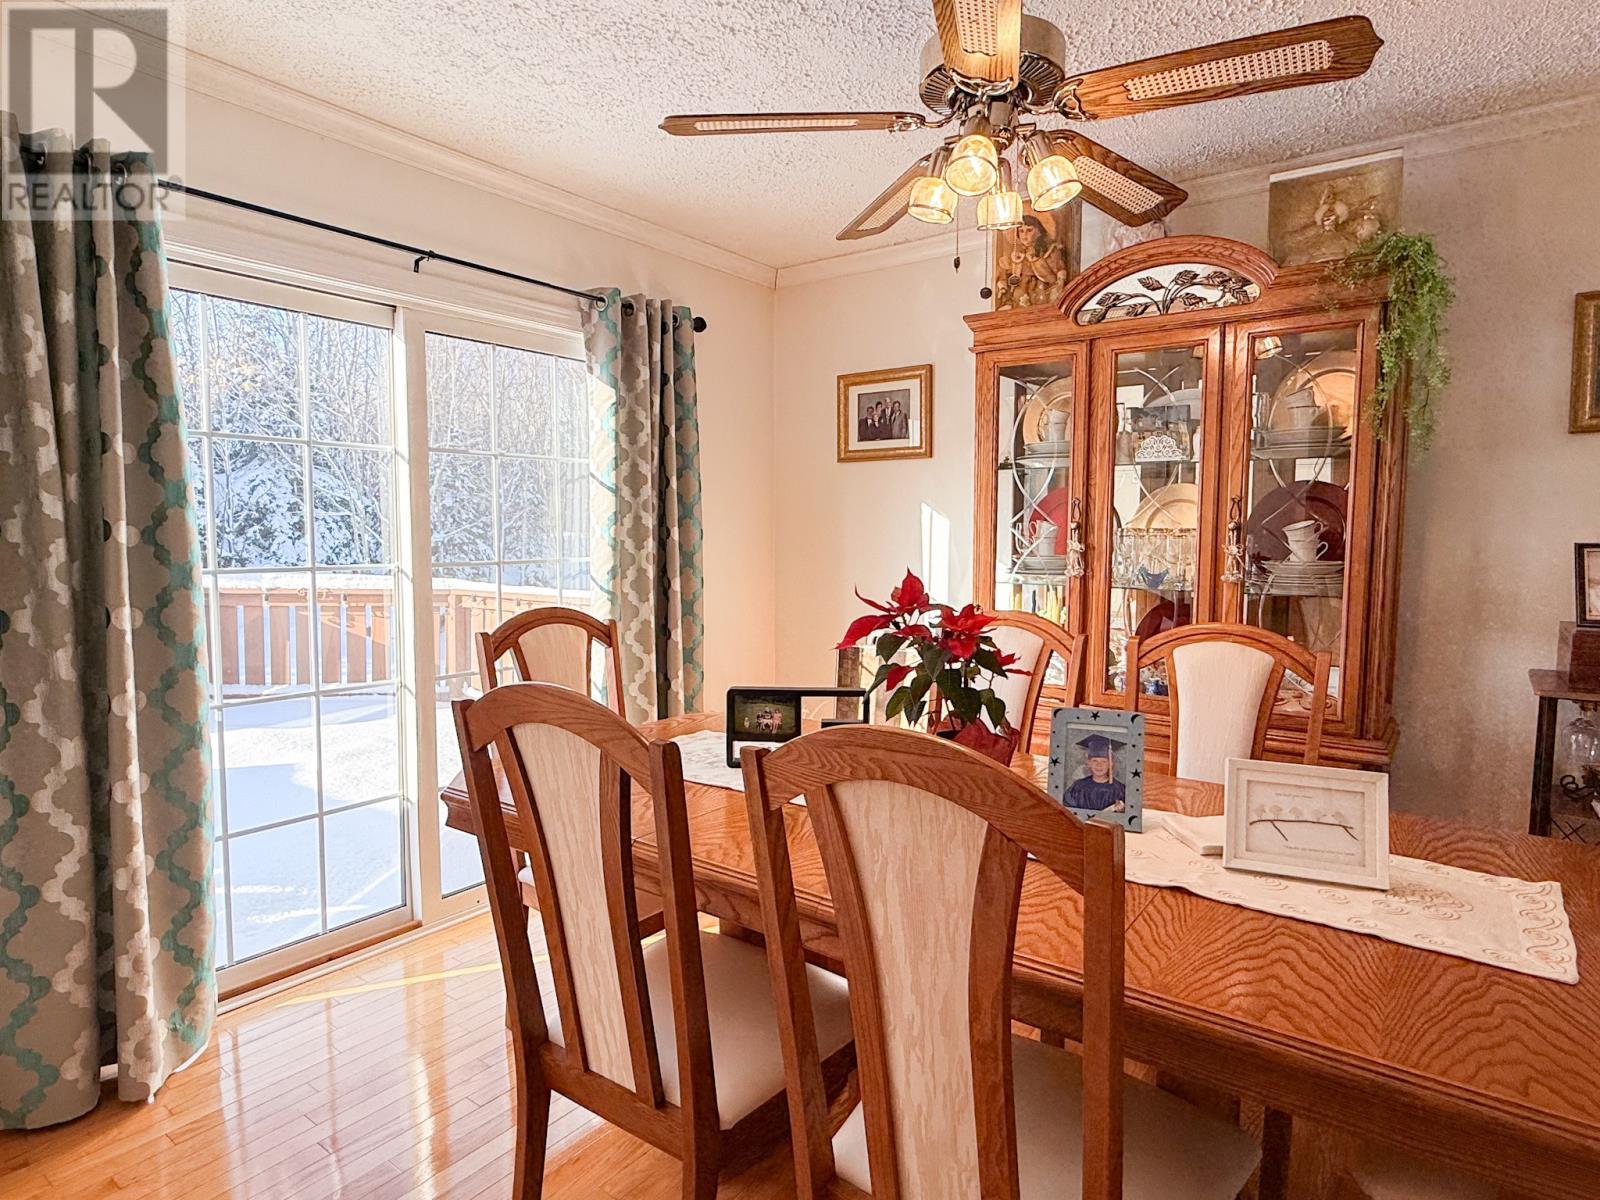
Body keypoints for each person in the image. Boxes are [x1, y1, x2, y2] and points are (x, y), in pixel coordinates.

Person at [1066, 733, 1126, 812]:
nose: (1099, 765)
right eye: (1095, 761)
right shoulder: (1078, 787)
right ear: (1088, 763)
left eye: (1104, 761)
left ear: (1111, 764)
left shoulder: (1119, 789)